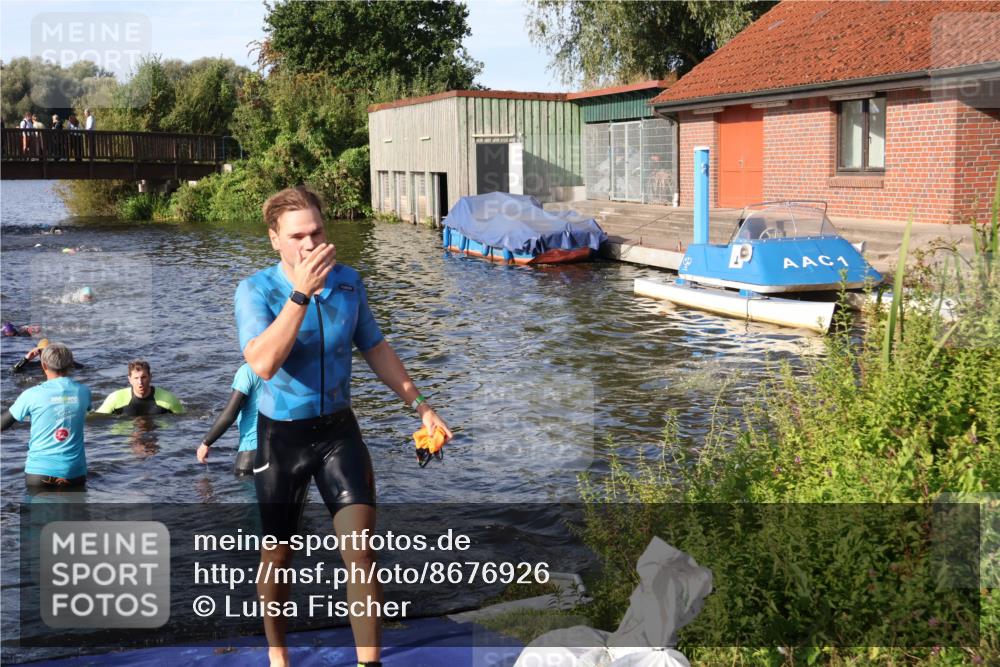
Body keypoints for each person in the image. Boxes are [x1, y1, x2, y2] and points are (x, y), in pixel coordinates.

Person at [235, 185, 452, 667]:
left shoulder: (350, 282)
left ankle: (368, 662)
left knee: (361, 553)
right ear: (275, 240)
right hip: (281, 437)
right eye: (297, 236)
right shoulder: (255, 291)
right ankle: (278, 654)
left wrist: (421, 405)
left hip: (337, 432)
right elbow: (264, 364)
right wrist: (300, 294)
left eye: (317, 232)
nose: (311, 245)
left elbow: (374, 346)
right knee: (277, 558)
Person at [1, 344, 92, 491]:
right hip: (74, 472)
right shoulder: (83, 391)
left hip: (39, 472)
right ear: (70, 364)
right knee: (76, 513)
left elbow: (2, 424)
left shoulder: (31, 394)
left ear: (43, 365)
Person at [196, 363, 262, 475]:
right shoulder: (285, 367)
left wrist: (206, 442)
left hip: (252, 453)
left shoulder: (248, 371)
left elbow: (230, 413)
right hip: (283, 449)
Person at [95, 360, 184, 416]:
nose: (140, 382)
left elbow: (183, 419)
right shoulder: (115, 398)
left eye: (143, 377)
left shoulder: (168, 399)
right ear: (130, 379)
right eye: (136, 378)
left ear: (150, 377)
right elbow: (97, 419)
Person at [10, 338, 84, 374]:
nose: (46, 353)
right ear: (38, 353)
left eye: (48, 350)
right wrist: (26, 359)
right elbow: (13, 371)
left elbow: (83, 368)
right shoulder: (36, 365)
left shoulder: (64, 363)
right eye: (42, 351)